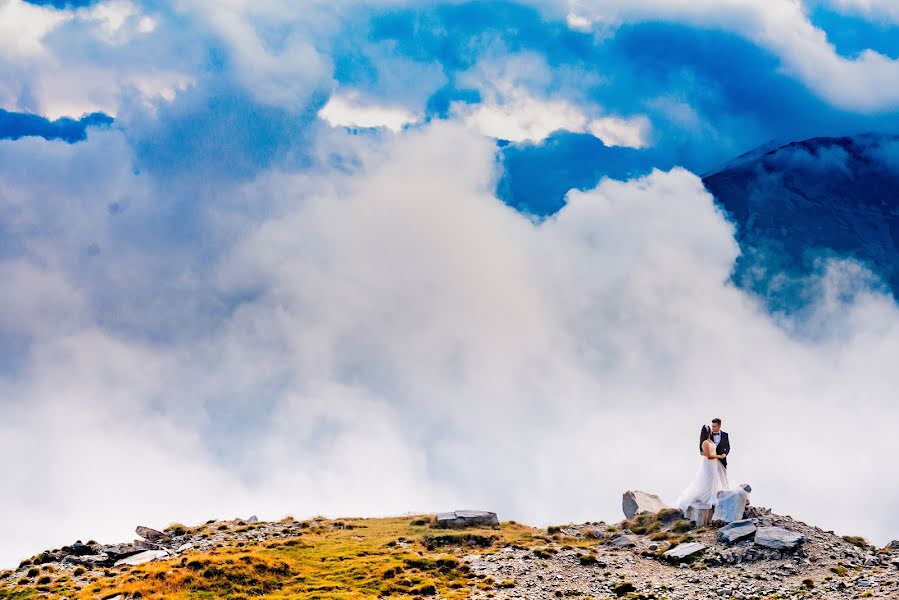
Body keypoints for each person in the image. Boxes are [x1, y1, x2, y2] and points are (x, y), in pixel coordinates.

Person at [677, 421, 732, 513]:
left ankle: (720, 492)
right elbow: (708, 455)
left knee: (716, 479)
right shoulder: (706, 442)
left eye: (714, 426)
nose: (712, 429)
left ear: (719, 426)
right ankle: (708, 498)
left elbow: (727, 446)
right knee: (708, 480)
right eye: (711, 428)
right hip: (710, 463)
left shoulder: (714, 438)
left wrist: (724, 454)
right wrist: (719, 456)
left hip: (717, 462)